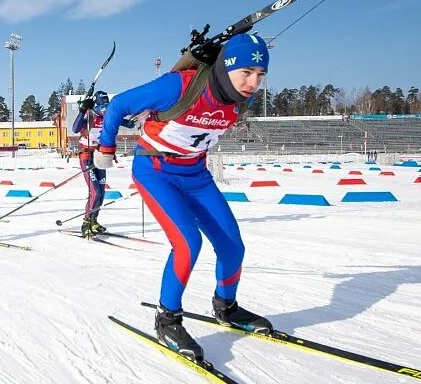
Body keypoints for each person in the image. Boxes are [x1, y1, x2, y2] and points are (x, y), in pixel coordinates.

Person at [94, 34, 274, 361]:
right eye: (246, 72)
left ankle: (227, 307)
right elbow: (119, 105)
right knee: (188, 243)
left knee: (233, 246)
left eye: (260, 75)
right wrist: (105, 148)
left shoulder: (238, 99)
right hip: (156, 171)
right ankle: (167, 319)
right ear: (227, 66)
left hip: (196, 176)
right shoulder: (180, 86)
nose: (253, 83)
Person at [72, 90, 112, 237]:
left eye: (107, 108)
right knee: (94, 192)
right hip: (86, 156)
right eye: (102, 108)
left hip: (100, 155)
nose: (105, 111)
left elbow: (123, 121)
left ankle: (94, 221)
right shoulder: (90, 115)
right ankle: (86, 223)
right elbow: (75, 128)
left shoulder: (108, 116)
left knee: (101, 193)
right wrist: (82, 110)